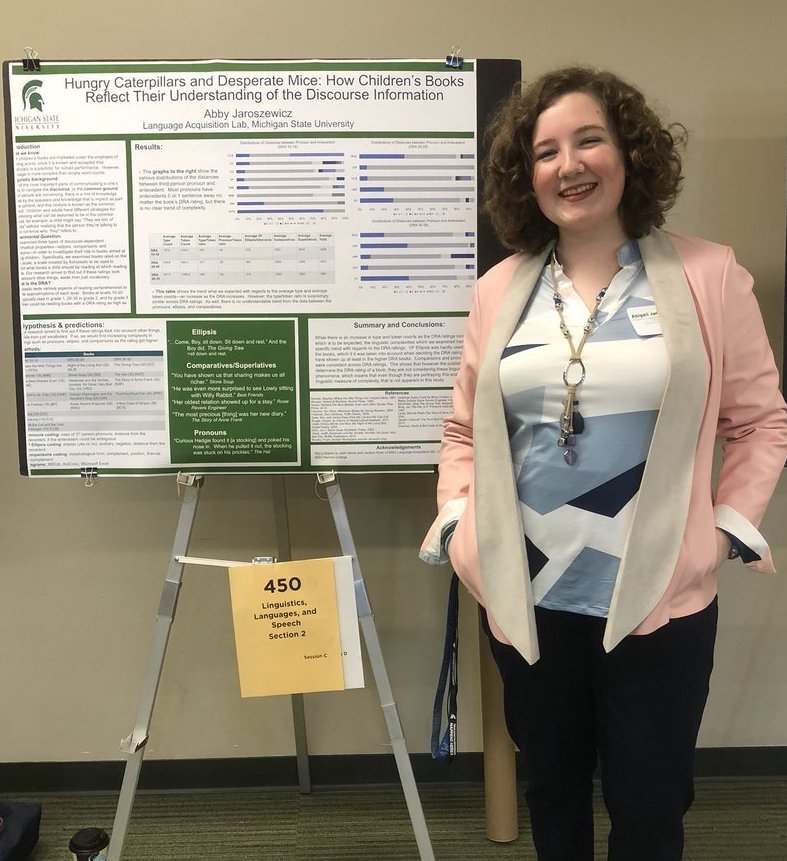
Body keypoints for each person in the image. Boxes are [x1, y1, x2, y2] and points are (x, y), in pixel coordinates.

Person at [420, 66, 787, 861]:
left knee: (649, 802)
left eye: (588, 139)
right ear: (528, 177)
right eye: (545, 151)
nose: (569, 164)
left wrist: (721, 531)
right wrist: (459, 529)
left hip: (657, 597)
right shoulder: (498, 291)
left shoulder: (708, 275)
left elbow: (759, 422)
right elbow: (461, 431)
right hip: (527, 596)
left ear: (629, 152)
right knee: (551, 790)